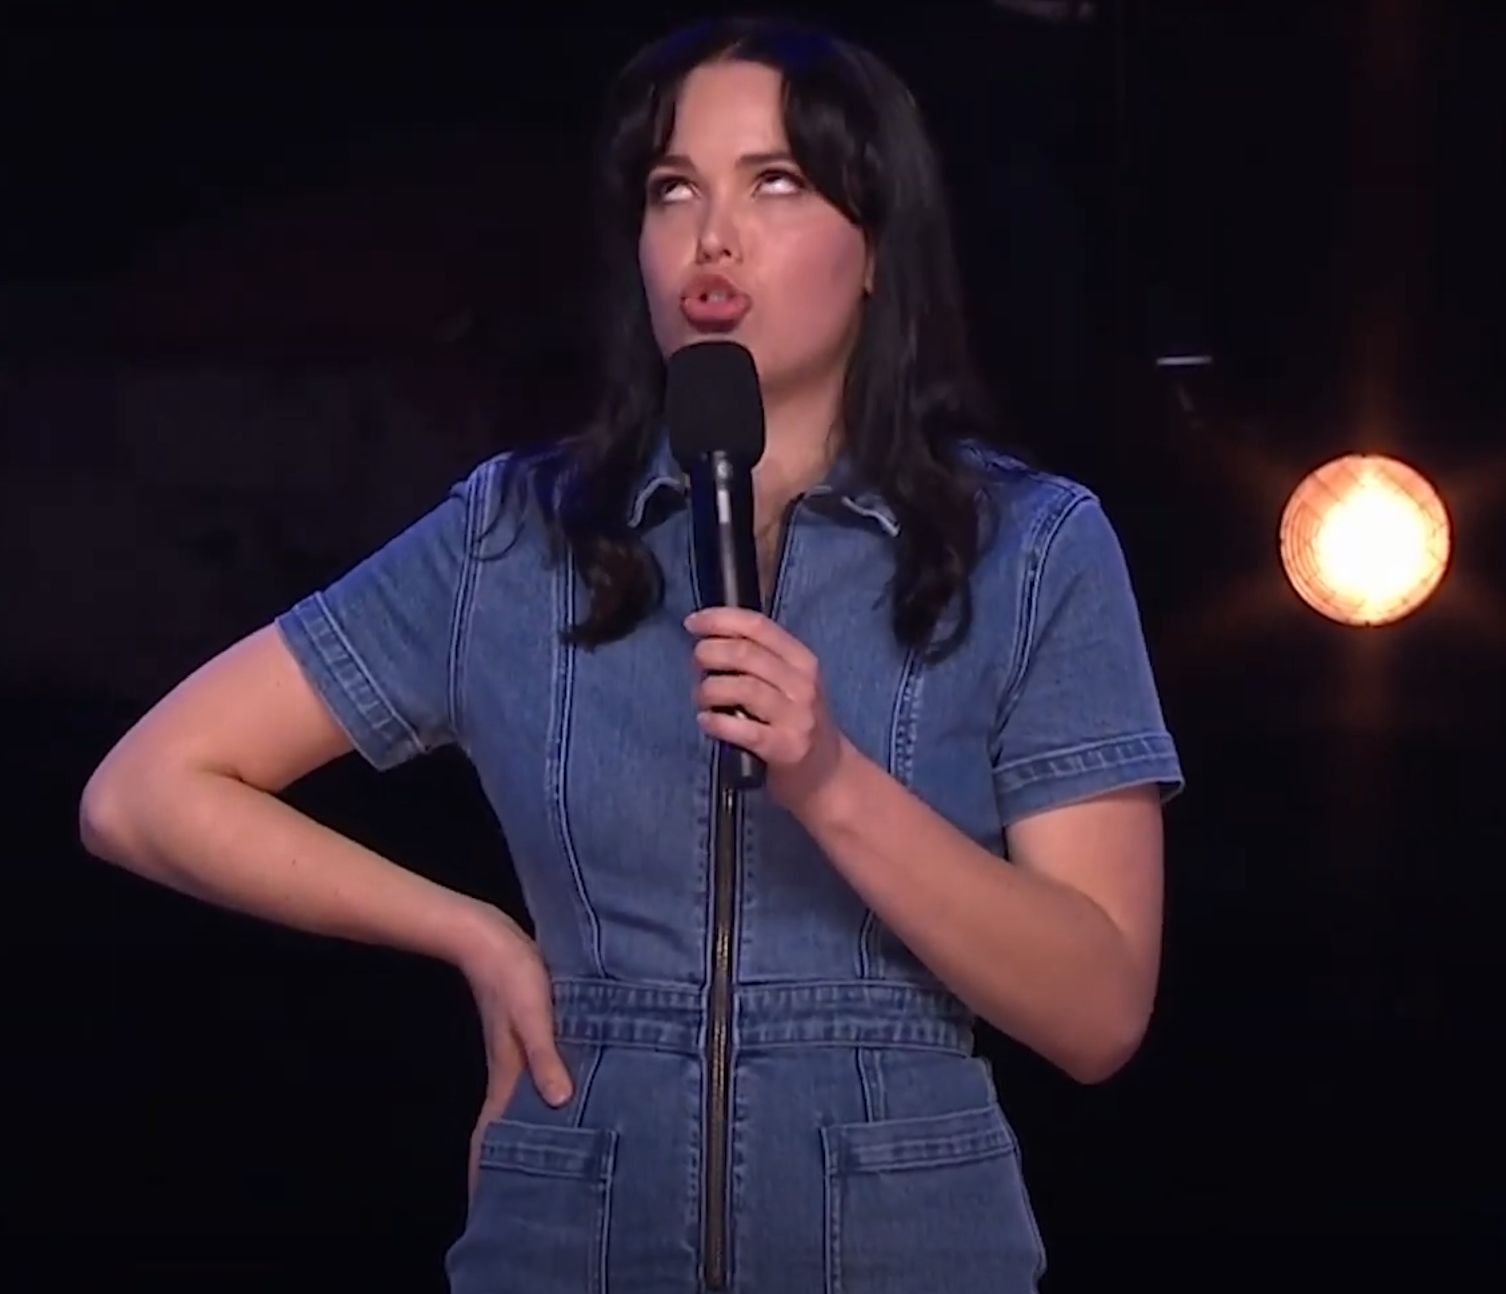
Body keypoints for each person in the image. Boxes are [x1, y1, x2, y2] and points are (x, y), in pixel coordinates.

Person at [79, 14, 1184, 1292]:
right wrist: (474, 933)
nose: (712, 238)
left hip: (902, 1232)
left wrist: (831, 779)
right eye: (673, 190)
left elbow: (1098, 1011)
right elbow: (142, 793)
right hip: (571, 1228)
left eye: (776, 182)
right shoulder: (518, 533)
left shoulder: (1028, 547)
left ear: (880, 246)